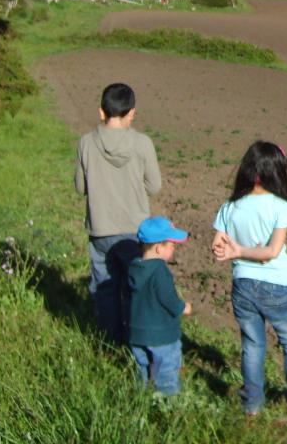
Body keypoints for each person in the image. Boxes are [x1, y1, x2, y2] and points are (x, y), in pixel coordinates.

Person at [212, 141, 287, 416]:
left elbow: (218, 246)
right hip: (278, 286)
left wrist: (231, 251)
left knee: (252, 344)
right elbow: (271, 252)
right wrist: (243, 250)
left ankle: (252, 404)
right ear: (276, 172)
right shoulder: (280, 206)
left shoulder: (230, 206)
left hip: (242, 285)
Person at [75, 82, 162, 343]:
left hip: (100, 230)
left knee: (106, 289)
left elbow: (80, 188)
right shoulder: (143, 143)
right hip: (135, 232)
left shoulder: (86, 143)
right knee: (135, 288)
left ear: (102, 112)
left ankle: (110, 343)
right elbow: (155, 186)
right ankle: (138, 343)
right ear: (132, 113)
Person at [128, 215, 191, 396]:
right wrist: (182, 307)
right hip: (161, 335)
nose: (174, 249)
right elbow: (168, 299)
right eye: (171, 245)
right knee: (166, 372)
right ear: (158, 247)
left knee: (142, 369)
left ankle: (141, 397)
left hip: (137, 334)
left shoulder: (134, 267)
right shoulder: (159, 271)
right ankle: (167, 405)